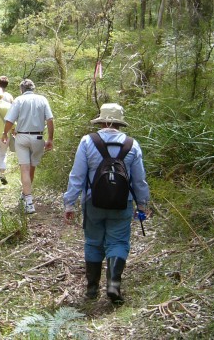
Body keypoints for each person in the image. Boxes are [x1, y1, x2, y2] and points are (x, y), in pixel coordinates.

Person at [63, 103, 150, 303]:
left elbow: (77, 175)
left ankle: (92, 289)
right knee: (118, 241)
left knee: (93, 242)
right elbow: (139, 180)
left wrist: (70, 203)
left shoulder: (87, 142)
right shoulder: (132, 144)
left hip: (93, 202)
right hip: (122, 203)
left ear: (102, 121)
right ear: (120, 123)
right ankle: (113, 286)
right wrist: (142, 204)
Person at [2, 79, 54, 214]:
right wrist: (50, 139)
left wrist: (5, 133)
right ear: (33, 88)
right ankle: (26, 195)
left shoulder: (18, 100)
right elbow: (50, 120)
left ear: (21, 90)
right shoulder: (42, 100)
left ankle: (29, 202)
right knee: (32, 168)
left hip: (22, 137)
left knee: (24, 169)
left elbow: (10, 120)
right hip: (38, 137)